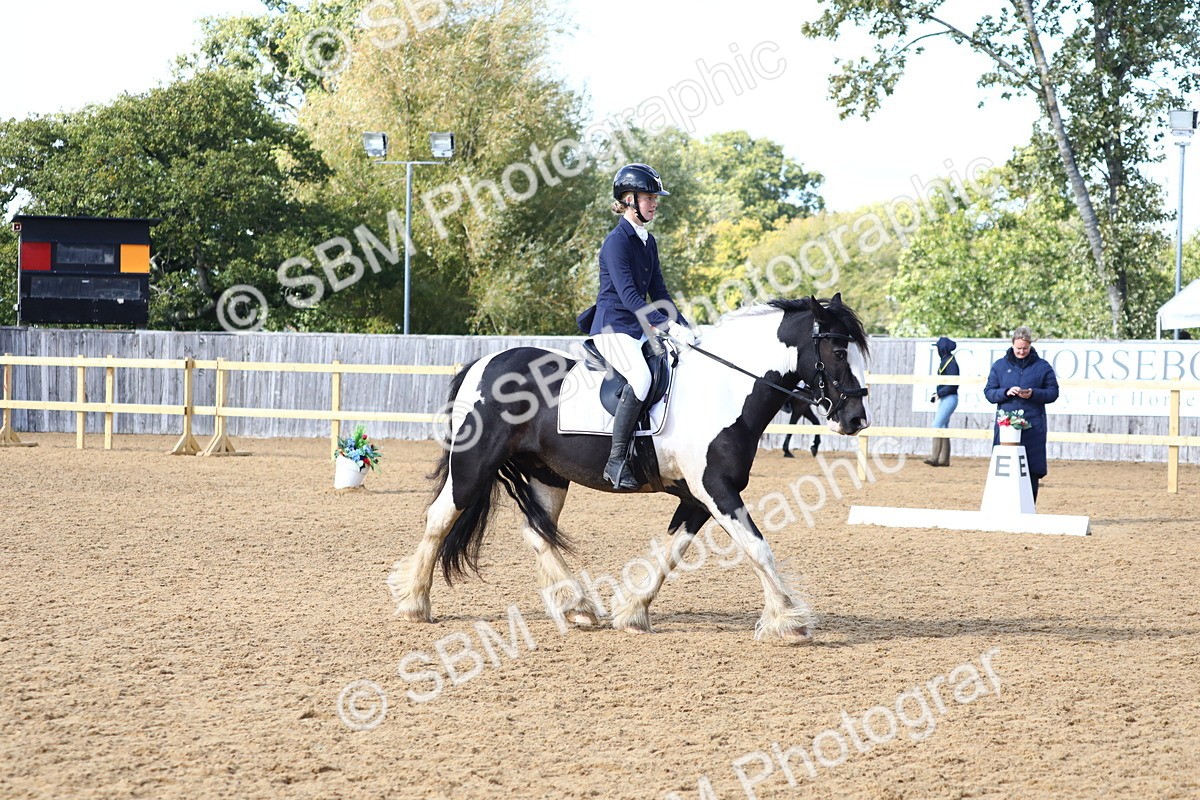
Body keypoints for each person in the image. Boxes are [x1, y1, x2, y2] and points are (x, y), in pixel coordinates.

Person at [575, 163, 697, 491]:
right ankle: (616, 461)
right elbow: (629, 295)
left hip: (639, 329)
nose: (654, 202)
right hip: (613, 328)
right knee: (641, 378)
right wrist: (666, 326)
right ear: (628, 200)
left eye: (655, 197)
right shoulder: (617, 242)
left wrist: (685, 326)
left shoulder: (648, 241)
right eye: (648, 197)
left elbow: (658, 293)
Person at [983, 326, 1059, 502]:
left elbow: (1053, 393)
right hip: (1006, 425)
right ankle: (1001, 504)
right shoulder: (999, 366)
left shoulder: (1043, 367)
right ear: (1012, 345)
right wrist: (1005, 392)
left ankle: (1029, 505)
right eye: (1018, 348)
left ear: (1030, 345)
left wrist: (1033, 393)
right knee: (1005, 467)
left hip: (1033, 424)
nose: (1021, 351)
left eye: (1025, 348)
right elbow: (989, 393)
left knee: (1031, 467)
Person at [924, 336, 959, 467]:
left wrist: (939, 393)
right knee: (943, 427)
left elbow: (953, 384)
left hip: (949, 397)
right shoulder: (947, 361)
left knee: (936, 425)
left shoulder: (951, 363)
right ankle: (944, 459)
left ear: (942, 348)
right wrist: (939, 393)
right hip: (946, 397)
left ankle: (934, 456)